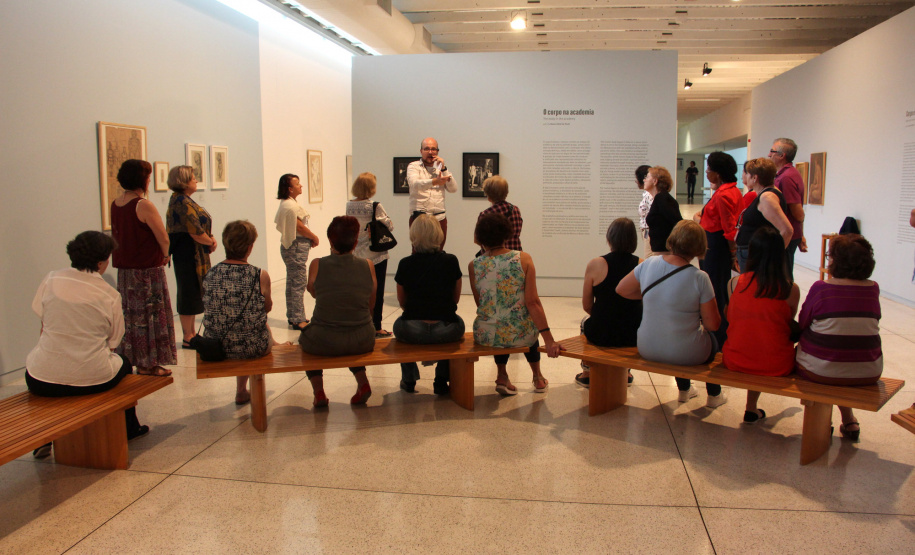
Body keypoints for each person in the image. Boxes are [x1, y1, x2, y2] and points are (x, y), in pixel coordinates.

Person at [26, 231, 149, 459]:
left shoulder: (51, 278)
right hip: (92, 380)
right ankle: (130, 429)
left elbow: (43, 321)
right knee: (125, 363)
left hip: (40, 379)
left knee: (49, 366)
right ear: (101, 262)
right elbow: (114, 341)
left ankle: (43, 438)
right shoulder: (109, 294)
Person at [616, 220, 726, 407]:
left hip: (647, 347)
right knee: (713, 341)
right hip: (685, 353)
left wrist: (652, 298)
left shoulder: (649, 263)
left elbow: (621, 289)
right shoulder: (700, 277)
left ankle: (684, 390)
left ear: (672, 240)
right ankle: (714, 395)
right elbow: (712, 325)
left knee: (678, 334)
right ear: (700, 246)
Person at [795, 234, 882, 441]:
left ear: (836, 260)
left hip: (821, 370)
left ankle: (825, 422)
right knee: (844, 349)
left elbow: (803, 322)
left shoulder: (822, 288)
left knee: (828, 352)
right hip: (868, 369)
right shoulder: (873, 288)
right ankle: (848, 418)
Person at [469, 213, 563, 395]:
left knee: (500, 324)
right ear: (507, 235)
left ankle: (502, 375)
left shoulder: (474, 265)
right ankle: (538, 377)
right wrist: (549, 340)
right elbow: (533, 302)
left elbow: (481, 303)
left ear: (479, 237)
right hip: (521, 335)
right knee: (524, 326)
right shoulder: (524, 259)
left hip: (485, 335)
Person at [722, 227, 800, 423]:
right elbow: (785, 323)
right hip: (776, 364)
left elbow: (732, 318)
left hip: (735, 358)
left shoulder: (734, 283)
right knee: (767, 339)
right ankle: (750, 407)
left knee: (753, 336)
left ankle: (751, 407)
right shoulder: (790, 289)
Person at [299, 216, 377, 406]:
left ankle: (318, 391)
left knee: (307, 338)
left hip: (324, 339)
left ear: (330, 240)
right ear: (356, 241)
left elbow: (314, 292)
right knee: (349, 335)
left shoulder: (317, 264)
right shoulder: (368, 265)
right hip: (362, 338)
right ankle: (363, 382)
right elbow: (370, 305)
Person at [203, 221, 281, 406]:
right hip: (252, 347)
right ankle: (243, 390)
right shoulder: (259, 275)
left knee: (242, 324)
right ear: (250, 247)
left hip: (217, 346)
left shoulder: (211, 274)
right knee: (253, 326)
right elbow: (266, 308)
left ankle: (241, 390)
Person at [110, 159, 176, 377]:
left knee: (131, 317)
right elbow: (163, 237)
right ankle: (149, 363)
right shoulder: (143, 205)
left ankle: (134, 360)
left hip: (126, 273)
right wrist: (166, 254)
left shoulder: (116, 204)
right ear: (142, 180)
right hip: (147, 272)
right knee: (150, 316)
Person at [393, 215, 465, 395]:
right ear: (438, 235)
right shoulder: (451, 261)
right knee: (459, 323)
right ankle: (441, 380)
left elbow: (402, 303)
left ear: (413, 236)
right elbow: (455, 299)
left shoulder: (405, 264)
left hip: (412, 329)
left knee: (398, 325)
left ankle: (409, 380)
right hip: (446, 330)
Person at [577, 218, 643, 388]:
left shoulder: (596, 264)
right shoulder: (642, 264)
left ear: (609, 238)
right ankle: (626, 371)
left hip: (601, 333)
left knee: (585, 322)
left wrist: (605, 316)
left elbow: (586, 305)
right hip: (632, 334)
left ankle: (587, 372)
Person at [693, 152, 742, 344]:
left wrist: (732, 254)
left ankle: (718, 335)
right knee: (717, 287)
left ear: (718, 173)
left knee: (715, 290)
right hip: (714, 245)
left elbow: (729, 229)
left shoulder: (723, 194)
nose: (707, 173)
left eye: (709, 169)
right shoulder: (731, 191)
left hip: (716, 247)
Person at [166, 165, 217, 348]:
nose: (196, 180)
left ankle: (192, 333)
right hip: (188, 254)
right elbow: (195, 231)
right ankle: (188, 335)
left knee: (193, 292)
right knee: (188, 292)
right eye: (193, 177)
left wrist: (209, 239)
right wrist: (210, 241)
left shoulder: (183, 200)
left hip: (193, 253)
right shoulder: (182, 202)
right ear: (184, 181)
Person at [346, 172, 394, 338]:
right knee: (377, 289)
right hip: (376, 253)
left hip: (356, 252)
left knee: (360, 289)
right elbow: (389, 225)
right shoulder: (374, 205)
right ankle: (376, 326)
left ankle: (360, 323)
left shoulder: (349, 205)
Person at [275, 173, 321, 331]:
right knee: (298, 283)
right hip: (295, 248)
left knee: (292, 282)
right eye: (297, 184)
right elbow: (299, 227)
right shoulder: (290, 206)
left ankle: (293, 315)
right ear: (289, 188)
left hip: (293, 247)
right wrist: (313, 237)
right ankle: (298, 319)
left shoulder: (287, 204)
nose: (300, 186)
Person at [734, 158, 793, 272]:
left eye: (748, 174)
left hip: (756, 256)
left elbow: (787, 230)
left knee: (752, 288)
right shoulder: (766, 193)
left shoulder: (767, 197)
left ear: (755, 178)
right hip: (752, 253)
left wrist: (773, 257)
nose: (744, 177)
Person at [407, 137, 458, 247]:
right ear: (421, 151)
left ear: (437, 151)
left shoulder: (440, 168)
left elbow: (453, 189)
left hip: (439, 217)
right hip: (420, 218)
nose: (430, 152)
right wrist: (435, 181)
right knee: (418, 252)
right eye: (427, 149)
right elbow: (414, 184)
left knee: (439, 252)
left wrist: (444, 169)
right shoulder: (413, 166)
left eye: (433, 149)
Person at [769, 138, 807, 280]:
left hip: (786, 235)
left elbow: (797, 212)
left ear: (781, 155)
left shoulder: (786, 178)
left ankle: (785, 302)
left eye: (772, 151)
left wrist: (799, 233)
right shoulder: (784, 175)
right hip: (787, 233)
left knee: (782, 276)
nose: (769, 154)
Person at [644, 166, 682, 255]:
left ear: (655, 181)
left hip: (664, 251)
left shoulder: (662, 198)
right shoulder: (660, 198)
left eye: (647, 177)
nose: (644, 180)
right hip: (661, 249)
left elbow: (677, 222)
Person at [478, 175, 522, 250]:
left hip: (493, 258)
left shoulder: (485, 215)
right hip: (515, 256)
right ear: (506, 192)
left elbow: (478, 240)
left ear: (488, 195)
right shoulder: (515, 210)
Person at [636, 165, 653, 257]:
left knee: (649, 257)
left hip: (649, 232)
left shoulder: (649, 195)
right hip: (647, 231)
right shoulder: (647, 194)